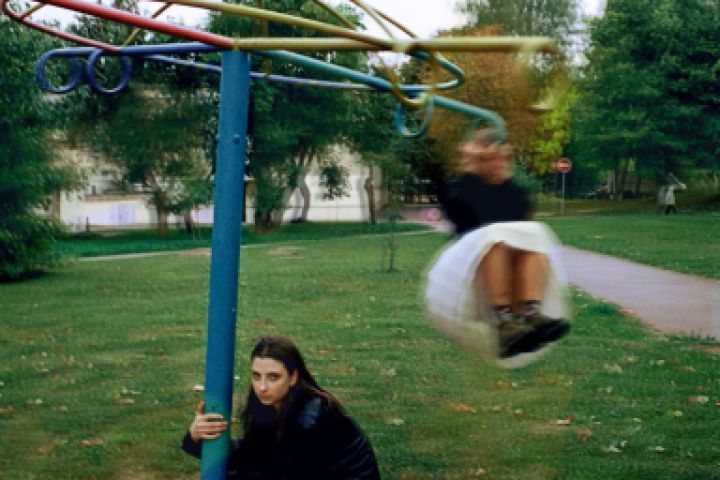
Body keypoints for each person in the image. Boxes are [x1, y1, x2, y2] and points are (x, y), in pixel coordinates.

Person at [425, 127, 569, 367]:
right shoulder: (463, 189)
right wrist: (471, 170)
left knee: (533, 240)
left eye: (503, 158)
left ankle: (529, 314)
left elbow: (520, 222)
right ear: (480, 162)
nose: (499, 164)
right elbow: (462, 216)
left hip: (506, 269)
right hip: (465, 273)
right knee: (493, 240)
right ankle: (503, 321)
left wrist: (502, 180)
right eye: (491, 159)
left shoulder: (513, 192)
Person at [182, 336, 381, 479]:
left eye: (273, 377)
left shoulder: (311, 418)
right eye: (256, 376)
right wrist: (196, 436)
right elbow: (251, 455)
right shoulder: (268, 405)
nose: (262, 387)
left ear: (293, 377)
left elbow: (275, 470)